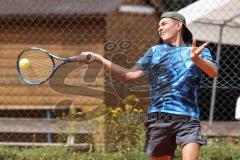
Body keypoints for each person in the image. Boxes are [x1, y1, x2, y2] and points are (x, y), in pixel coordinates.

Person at [78, 12, 219, 160]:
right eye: (158, 26)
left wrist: (196, 59)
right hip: (158, 119)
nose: (160, 28)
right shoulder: (155, 52)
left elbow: (213, 72)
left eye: (164, 24)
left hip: (188, 119)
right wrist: (98, 58)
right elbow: (128, 76)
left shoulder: (196, 51)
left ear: (178, 25)